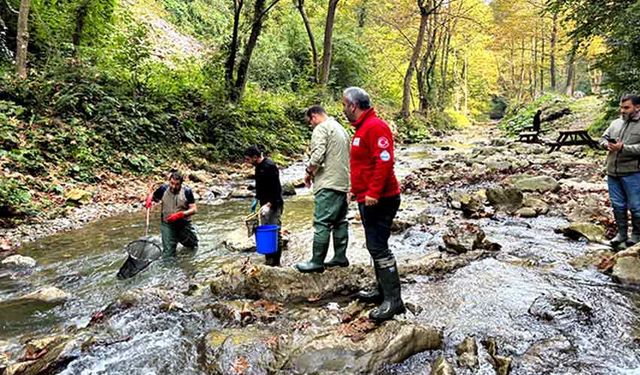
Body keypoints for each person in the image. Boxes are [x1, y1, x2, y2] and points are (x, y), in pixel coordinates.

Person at [343, 86, 404, 321]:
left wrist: (373, 193)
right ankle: (382, 291)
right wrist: (355, 189)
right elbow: (364, 165)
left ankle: (394, 301)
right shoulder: (361, 129)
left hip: (382, 198)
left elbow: (384, 162)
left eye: (344, 105)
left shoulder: (376, 127)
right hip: (366, 196)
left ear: (353, 106)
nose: (343, 110)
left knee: (379, 247)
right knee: (373, 245)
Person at [295, 105, 351, 273]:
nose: (310, 125)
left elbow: (318, 155)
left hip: (328, 183)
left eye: (309, 122)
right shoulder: (341, 129)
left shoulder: (321, 128)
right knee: (340, 221)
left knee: (322, 223)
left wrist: (308, 172)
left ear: (314, 116)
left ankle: (316, 261)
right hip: (343, 182)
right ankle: (340, 257)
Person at [600, 94, 640, 250]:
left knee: (636, 206)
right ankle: (621, 234)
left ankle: (637, 235)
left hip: (633, 172)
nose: (622, 110)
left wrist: (623, 148)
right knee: (617, 205)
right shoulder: (615, 123)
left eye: (626, 107)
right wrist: (606, 145)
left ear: (637, 107)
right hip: (612, 172)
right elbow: (602, 138)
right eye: (621, 107)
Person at [245, 146, 284, 266]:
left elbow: (277, 189)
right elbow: (260, 186)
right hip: (263, 204)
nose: (247, 162)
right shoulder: (258, 167)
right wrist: (256, 199)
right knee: (265, 231)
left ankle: (276, 261)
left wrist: (269, 204)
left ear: (255, 157)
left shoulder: (270, 166)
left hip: (273, 204)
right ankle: (269, 258)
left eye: (248, 159)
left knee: (275, 232)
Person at [145, 170, 198, 256]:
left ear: (181, 184)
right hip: (167, 223)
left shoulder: (187, 191)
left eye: (177, 184)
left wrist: (181, 214)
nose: (173, 186)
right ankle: (169, 267)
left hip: (183, 223)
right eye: (172, 183)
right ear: (169, 181)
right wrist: (149, 199)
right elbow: (154, 198)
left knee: (193, 246)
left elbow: (194, 209)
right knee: (168, 253)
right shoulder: (163, 189)